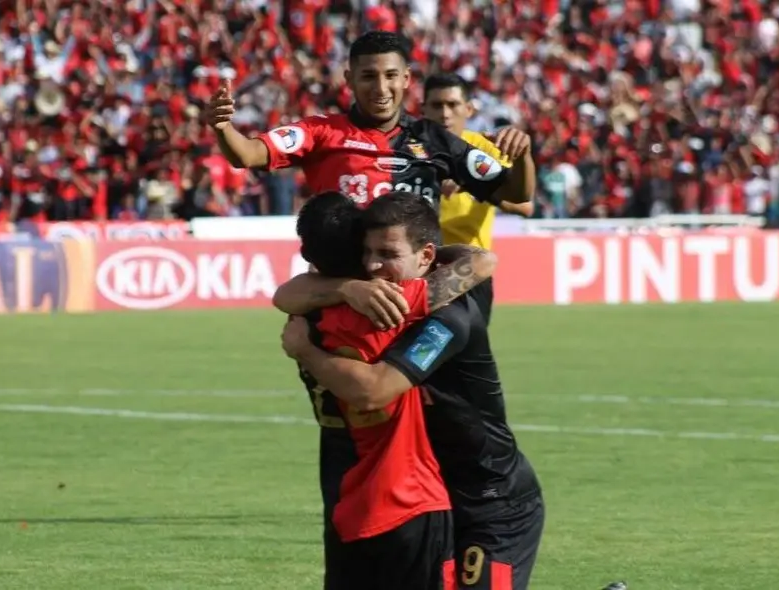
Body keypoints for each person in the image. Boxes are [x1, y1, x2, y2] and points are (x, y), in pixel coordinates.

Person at [280, 191, 544, 590]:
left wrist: (306, 350)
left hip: (490, 495)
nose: (372, 266)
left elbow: (376, 389)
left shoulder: (449, 314)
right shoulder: (372, 302)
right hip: (432, 489)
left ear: (426, 257)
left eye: (387, 254)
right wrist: (349, 287)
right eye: (366, 252)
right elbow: (287, 292)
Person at [205, 31, 535, 211]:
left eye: (391, 76)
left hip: (414, 296)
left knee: (474, 269)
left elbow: (517, 194)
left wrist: (523, 157)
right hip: (344, 286)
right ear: (348, 78)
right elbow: (247, 154)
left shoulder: (434, 138)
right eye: (368, 76)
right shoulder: (321, 131)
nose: (381, 88)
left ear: (406, 79)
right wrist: (223, 127)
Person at [422, 73, 534, 322]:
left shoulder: (482, 150)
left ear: (469, 109)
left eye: (452, 105)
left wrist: (473, 183)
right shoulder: (410, 150)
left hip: (469, 272)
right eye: (437, 105)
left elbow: (525, 205)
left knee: (469, 357)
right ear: (423, 110)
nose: (445, 113)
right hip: (419, 272)